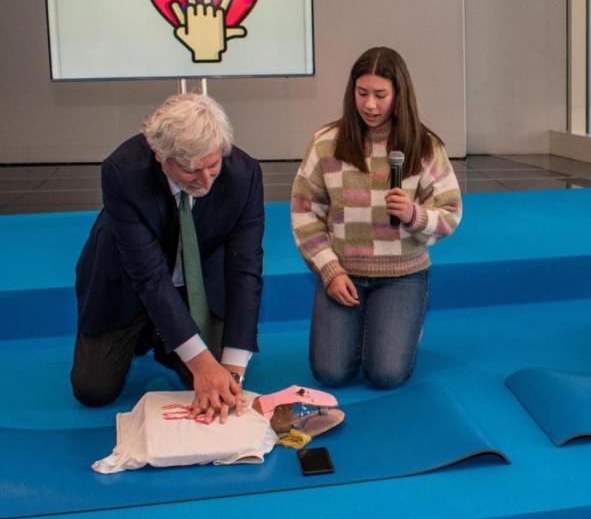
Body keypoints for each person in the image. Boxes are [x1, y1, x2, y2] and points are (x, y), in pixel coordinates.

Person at [71, 93, 265, 424]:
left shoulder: (245, 175)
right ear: (162, 157)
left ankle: (169, 341)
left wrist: (232, 371)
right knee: (93, 390)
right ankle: (151, 334)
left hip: (198, 282)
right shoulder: (122, 172)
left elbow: (245, 268)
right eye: (192, 170)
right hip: (127, 280)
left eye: (213, 166)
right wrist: (203, 365)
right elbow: (148, 277)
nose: (206, 182)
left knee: (210, 383)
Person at [292, 47, 462, 390]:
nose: (370, 105)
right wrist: (330, 271)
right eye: (362, 93)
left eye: (381, 95)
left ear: (399, 95)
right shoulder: (326, 144)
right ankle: (376, 323)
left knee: (385, 375)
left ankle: (403, 320)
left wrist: (415, 216)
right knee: (331, 373)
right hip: (343, 275)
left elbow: (450, 213)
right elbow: (304, 211)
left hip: (403, 276)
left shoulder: (426, 146)